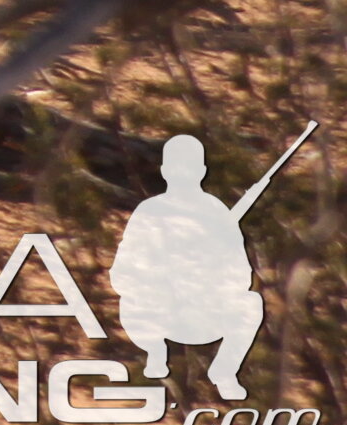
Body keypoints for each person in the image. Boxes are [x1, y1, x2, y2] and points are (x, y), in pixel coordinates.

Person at [118, 132, 280, 401]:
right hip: (158, 313)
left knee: (251, 302)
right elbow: (123, 271)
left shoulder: (217, 214)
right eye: (176, 166)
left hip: (203, 312)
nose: (183, 173)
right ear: (165, 171)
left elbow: (241, 275)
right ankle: (156, 353)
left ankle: (225, 372)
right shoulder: (149, 211)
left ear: (202, 171)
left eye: (189, 167)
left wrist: (207, 275)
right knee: (130, 301)